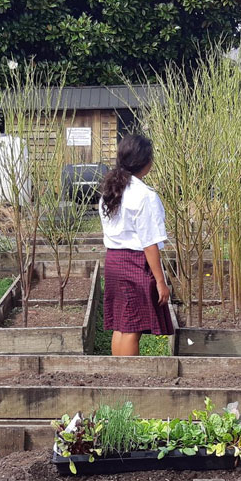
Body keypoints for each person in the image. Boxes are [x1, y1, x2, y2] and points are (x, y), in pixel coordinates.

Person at [98, 134, 173, 356]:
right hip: (135, 263)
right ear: (146, 162)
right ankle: (130, 380)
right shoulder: (144, 195)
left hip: (113, 261)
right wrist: (161, 281)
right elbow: (149, 244)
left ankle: (119, 377)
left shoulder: (110, 191)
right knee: (133, 326)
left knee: (121, 324)